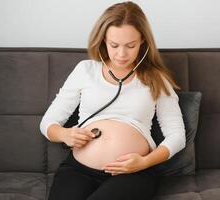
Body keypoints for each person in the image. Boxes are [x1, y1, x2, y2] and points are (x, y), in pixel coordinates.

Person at [40, 1, 186, 200]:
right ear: (103, 40)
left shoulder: (156, 79)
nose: (121, 54)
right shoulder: (85, 70)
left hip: (133, 173)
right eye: (114, 45)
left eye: (130, 45)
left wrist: (145, 162)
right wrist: (65, 134)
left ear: (142, 40)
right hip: (78, 170)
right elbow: (48, 123)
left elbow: (177, 136)